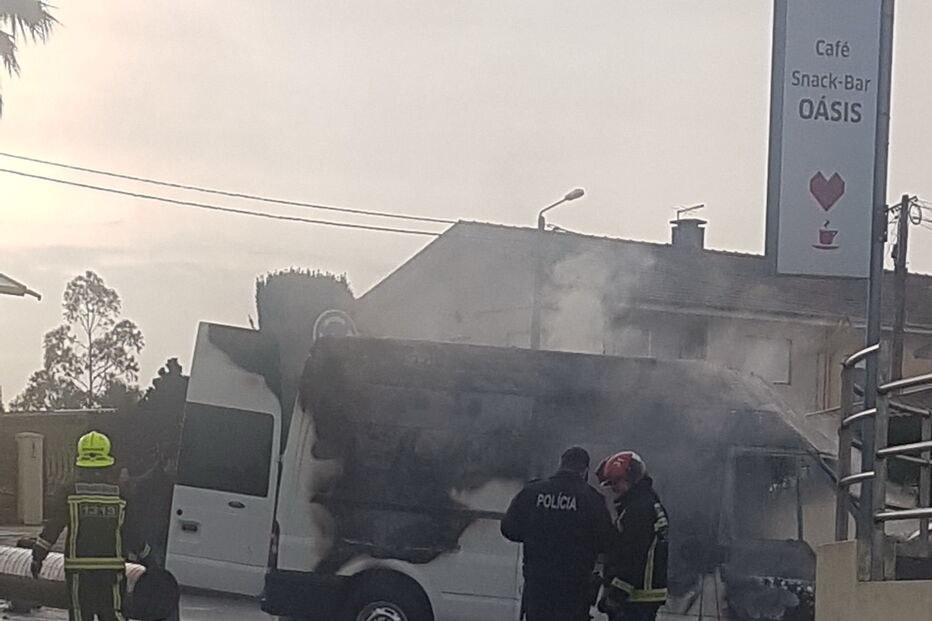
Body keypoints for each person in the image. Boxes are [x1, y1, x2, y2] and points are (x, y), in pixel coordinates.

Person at [32, 430, 157, 621]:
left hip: (79, 570)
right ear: (107, 461)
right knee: (113, 614)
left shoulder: (69, 491)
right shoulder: (120, 494)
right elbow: (133, 533)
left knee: (80, 614)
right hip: (111, 569)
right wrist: (149, 560)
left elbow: (53, 527)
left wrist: (38, 557)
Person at [501, 446, 614, 621]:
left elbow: (509, 529)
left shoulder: (532, 492)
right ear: (585, 471)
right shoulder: (592, 499)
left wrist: (536, 534)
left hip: (537, 585)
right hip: (574, 589)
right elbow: (606, 542)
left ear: (561, 464)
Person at [596, 451, 669, 621]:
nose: (613, 488)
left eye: (616, 482)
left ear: (630, 478)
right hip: (646, 595)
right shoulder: (650, 503)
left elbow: (632, 555)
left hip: (635, 597)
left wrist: (616, 594)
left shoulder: (637, 510)